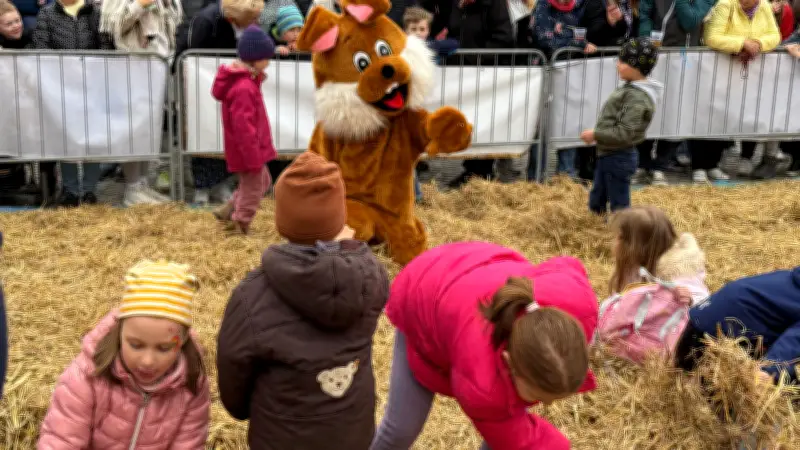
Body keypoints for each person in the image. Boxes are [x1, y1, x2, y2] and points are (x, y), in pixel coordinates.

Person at [217, 151, 389, 450]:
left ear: (282, 220)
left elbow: (233, 365)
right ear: (340, 217)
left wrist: (243, 408)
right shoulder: (371, 277)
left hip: (281, 435)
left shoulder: (252, 294)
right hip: (352, 433)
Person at [371, 242, 598, 450]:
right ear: (510, 362)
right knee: (401, 428)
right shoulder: (483, 381)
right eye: (537, 394)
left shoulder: (580, 311)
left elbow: (568, 267)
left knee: (504, 424)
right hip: (426, 289)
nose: (547, 404)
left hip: (480, 272)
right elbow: (517, 439)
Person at [37, 260, 210, 449]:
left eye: (164, 348)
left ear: (182, 341)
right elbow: (61, 440)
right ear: (119, 333)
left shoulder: (191, 385)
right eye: (135, 345)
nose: (147, 361)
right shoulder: (86, 376)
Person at [174, 0, 264, 205]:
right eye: (252, 18)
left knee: (226, 134)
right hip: (203, 84)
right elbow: (191, 54)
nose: (256, 22)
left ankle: (221, 183)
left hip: (227, 83)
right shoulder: (207, 20)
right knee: (203, 131)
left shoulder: (240, 22)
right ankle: (202, 187)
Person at [98, 0, 181, 206]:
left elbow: (173, 21)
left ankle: (142, 184)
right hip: (132, 64)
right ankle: (132, 186)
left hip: (157, 63)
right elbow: (114, 25)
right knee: (133, 128)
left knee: (148, 128)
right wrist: (140, 5)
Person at [32, 0, 114, 207]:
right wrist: (62, 70)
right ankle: (70, 189)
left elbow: (105, 43)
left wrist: (94, 69)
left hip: (92, 86)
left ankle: (89, 190)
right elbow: (42, 46)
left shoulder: (94, 12)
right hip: (61, 86)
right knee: (66, 139)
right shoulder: (47, 14)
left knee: (92, 140)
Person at [431, 0, 514, 188]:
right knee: (467, 119)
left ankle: (483, 171)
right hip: (461, 73)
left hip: (486, 73)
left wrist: (473, 57)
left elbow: (504, 38)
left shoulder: (494, 4)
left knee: (484, 120)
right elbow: (451, 30)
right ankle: (470, 168)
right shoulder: (455, 4)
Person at [637, 0, 718, 186]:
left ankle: (660, 166)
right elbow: (645, 15)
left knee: (677, 113)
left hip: (684, 62)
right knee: (648, 110)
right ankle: (643, 163)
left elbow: (690, 21)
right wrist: (646, 38)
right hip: (656, 58)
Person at [674, 266, 800, 385]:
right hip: (716, 344)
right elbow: (792, 342)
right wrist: (769, 371)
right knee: (786, 384)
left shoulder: (788, 279)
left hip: (697, 324)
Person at [581, 38, 662, 215]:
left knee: (619, 203)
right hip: (608, 153)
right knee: (597, 197)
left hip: (619, 156)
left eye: (623, 61)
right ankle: (596, 224)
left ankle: (623, 229)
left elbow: (625, 132)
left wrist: (596, 135)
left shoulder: (637, 98)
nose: (617, 64)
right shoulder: (630, 89)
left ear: (636, 67)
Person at [211, 26, 277, 234]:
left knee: (262, 181)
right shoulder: (244, 88)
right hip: (248, 150)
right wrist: (252, 155)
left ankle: (229, 208)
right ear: (254, 59)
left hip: (250, 149)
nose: (269, 62)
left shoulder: (246, 83)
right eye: (266, 58)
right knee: (254, 186)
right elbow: (243, 127)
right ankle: (240, 222)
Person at [532, 0, 600, 179]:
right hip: (546, 71)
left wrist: (574, 41)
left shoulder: (580, 6)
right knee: (541, 125)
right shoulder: (543, 5)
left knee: (569, 122)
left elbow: (590, 35)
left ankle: (566, 175)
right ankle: (536, 177)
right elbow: (545, 39)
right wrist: (578, 44)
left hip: (572, 72)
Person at [608, 206, 709, 303]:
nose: (614, 242)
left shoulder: (678, 271)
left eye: (620, 237)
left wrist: (688, 300)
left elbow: (702, 302)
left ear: (636, 247)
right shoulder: (633, 266)